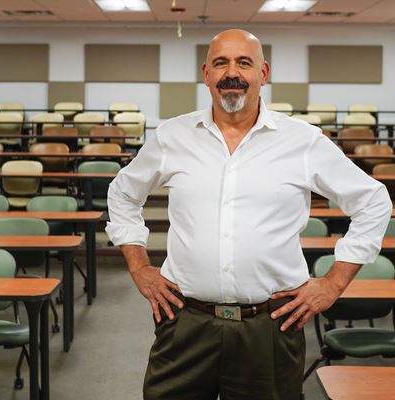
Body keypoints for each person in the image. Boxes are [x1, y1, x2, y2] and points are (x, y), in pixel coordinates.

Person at [106, 29, 392, 400]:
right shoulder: (171, 137)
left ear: (264, 73)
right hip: (185, 323)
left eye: (244, 62)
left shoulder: (302, 141)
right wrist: (140, 267)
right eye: (221, 62)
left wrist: (333, 283)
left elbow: (373, 202)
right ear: (206, 72)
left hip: (270, 327)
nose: (232, 72)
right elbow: (123, 194)